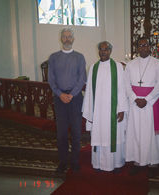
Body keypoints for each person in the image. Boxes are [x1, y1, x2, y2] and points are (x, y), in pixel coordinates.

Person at [82, 41, 128, 172]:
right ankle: (98, 163)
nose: (103, 52)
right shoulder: (93, 68)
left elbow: (122, 89)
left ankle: (116, 163)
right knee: (99, 135)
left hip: (113, 111)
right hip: (98, 112)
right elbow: (89, 92)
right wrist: (89, 112)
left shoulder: (118, 67)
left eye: (106, 49)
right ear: (98, 51)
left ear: (110, 51)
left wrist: (122, 109)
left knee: (114, 135)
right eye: (101, 49)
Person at [125, 36, 159, 175]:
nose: (143, 47)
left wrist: (147, 99)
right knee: (136, 131)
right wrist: (135, 98)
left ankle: (153, 160)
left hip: (151, 104)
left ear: (150, 47)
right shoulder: (130, 65)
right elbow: (126, 85)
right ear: (137, 48)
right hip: (135, 104)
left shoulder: (158, 64)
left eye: (146, 45)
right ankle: (137, 160)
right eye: (140, 45)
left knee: (150, 132)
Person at [48, 28, 87, 174]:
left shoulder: (79, 57)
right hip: (59, 99)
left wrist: (71, 94)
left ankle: (75, 161)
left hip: (75, 98)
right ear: (60, 39)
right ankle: (63, 162)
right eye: (64, 37)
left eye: (69, 36)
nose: (67, 39)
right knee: (62, 134)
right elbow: (51, 80)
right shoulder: (53, 57)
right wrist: (60, 94)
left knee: (77, 133)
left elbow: (82, 78)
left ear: (73, 39)